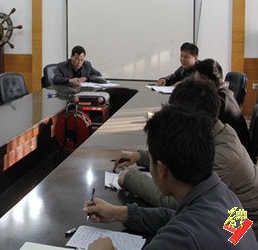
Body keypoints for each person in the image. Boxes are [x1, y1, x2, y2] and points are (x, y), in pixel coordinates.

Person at [85, 105, 258, 250]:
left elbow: (184, 230)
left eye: (150, 160)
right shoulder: (226, 196)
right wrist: (119, 213)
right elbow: (175, 217)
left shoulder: (181, 239)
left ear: (161, 169)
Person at [113, 78, 258, 238]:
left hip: (244, 227)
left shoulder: (221, 156)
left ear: (190, 118)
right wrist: (141, 156)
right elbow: (180, 158)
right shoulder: (218, 131)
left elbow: (176, 200)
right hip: (230, 216)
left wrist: (130, 178)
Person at [194, 58, 252, 157]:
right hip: (236, 149)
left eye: (197, 82)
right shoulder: (225, 93)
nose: (195, 86)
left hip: (234, 154)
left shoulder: (218, 102)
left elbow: (201, 126)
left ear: (207, 81)